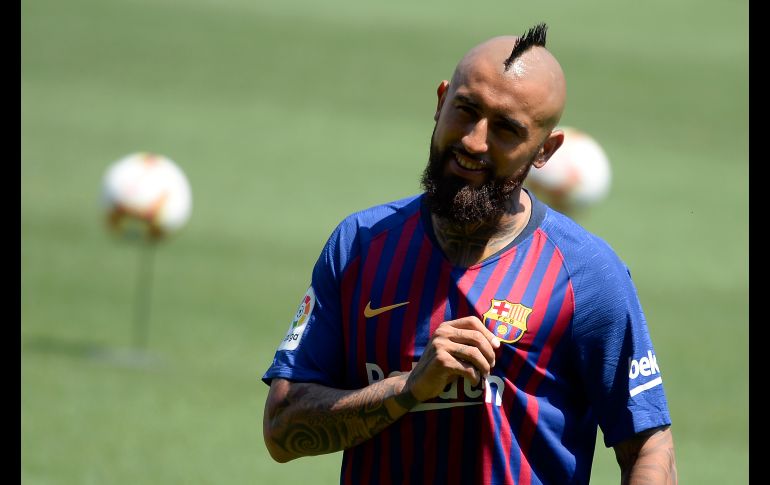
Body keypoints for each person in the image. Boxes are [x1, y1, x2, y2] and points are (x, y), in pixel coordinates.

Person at [262, 23, 677, 485]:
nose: (475, 141)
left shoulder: (589, 275)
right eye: (466, 110)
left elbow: (649, 448)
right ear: (441, 102)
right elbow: (282, 429)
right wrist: (409, 388)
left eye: (506, 129)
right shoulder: (360, 245)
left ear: (545, 151)